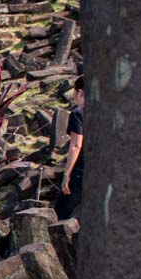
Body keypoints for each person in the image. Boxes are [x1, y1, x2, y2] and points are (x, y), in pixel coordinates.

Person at [55, 77, 86, 220]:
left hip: (80, 170)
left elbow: (76, 145)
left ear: (80, 92)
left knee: (61, 214)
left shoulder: (78, 113)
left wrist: (67, 174)